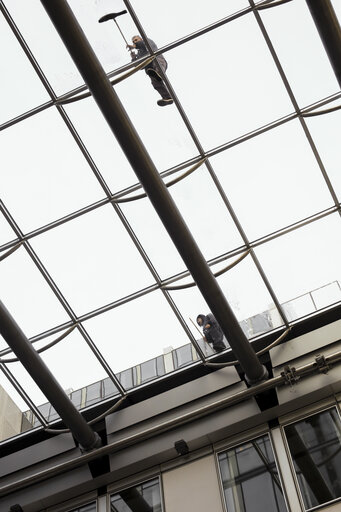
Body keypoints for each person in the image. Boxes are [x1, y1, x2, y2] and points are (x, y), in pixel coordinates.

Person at [127, 35, 173, 107]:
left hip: (158, 60)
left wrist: (134, 46)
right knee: (155, 83)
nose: (135, 42)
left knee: (157, 65)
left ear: (141, 38)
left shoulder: (146, 40)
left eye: (136, 40)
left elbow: (142, 44)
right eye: (133, 41)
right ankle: (167, 98)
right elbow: (138, 66)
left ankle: (159, 74)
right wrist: (133, 58)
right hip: (150, 69)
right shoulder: (140, 53)